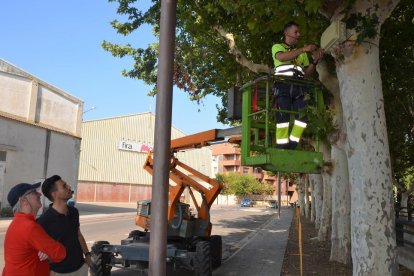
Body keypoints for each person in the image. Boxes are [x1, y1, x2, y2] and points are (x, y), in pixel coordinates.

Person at [272, 21, 324, 149]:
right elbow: (282, 58)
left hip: (299, 88)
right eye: (296, 32)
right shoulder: (278, 47)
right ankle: (282, 148)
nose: (298, 35)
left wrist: (315, 61)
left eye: (299, 32)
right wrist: (303, 49)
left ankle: (292, 145)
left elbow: (306, 73)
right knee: (282, 116)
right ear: (286, 33)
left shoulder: (302, 54)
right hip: (283, 86)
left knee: (302, 117)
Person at [3, 182, 66, 276]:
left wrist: (44, 251)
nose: (39, 194)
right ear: (23, 201)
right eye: (34, 192)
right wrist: (48, 252)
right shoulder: (29, 227)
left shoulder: (18, 223)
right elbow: (60, 253)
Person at [37, 175, 91, 276]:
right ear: (54, 194)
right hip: (60, 272)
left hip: (81, 268)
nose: (69, 187)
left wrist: (87, 254)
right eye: (64, 186)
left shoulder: (74, 212)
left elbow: (78, 234)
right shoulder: (44, 221)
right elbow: (40, 252)